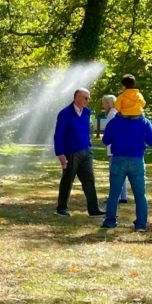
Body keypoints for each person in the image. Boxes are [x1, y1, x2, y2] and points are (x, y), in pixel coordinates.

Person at [101, 107, 152, 230]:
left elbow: (105, 140)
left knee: (114, 193)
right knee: (140, 193)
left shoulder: (114, 122)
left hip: (118, 158)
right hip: (136, 159)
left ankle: (110, 221)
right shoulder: (145, 122)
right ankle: (141, 224)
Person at [53, 88, 104, 217]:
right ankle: (61, 208)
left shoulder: (87, 112)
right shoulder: (65, 113)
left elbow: (86, 130)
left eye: (88, 98)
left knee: (89, 180)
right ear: (76, 97)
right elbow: (58, 135)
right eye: (85, 98)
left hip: (86, 151)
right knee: (67, 179)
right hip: (71, 152)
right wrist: (60, 153)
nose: (87, 101)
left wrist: (89, 144)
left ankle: (93, 209)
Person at [101, 94, 128, 204]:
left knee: (115, 173)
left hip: (114, 149)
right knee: (121, 173)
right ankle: (122, 196)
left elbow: (111, 132)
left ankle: (115, 197)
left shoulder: (112, 114)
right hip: (119, 148)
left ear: (108, 103)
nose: (103, 105)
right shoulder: (117, 113)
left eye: (104, 103)